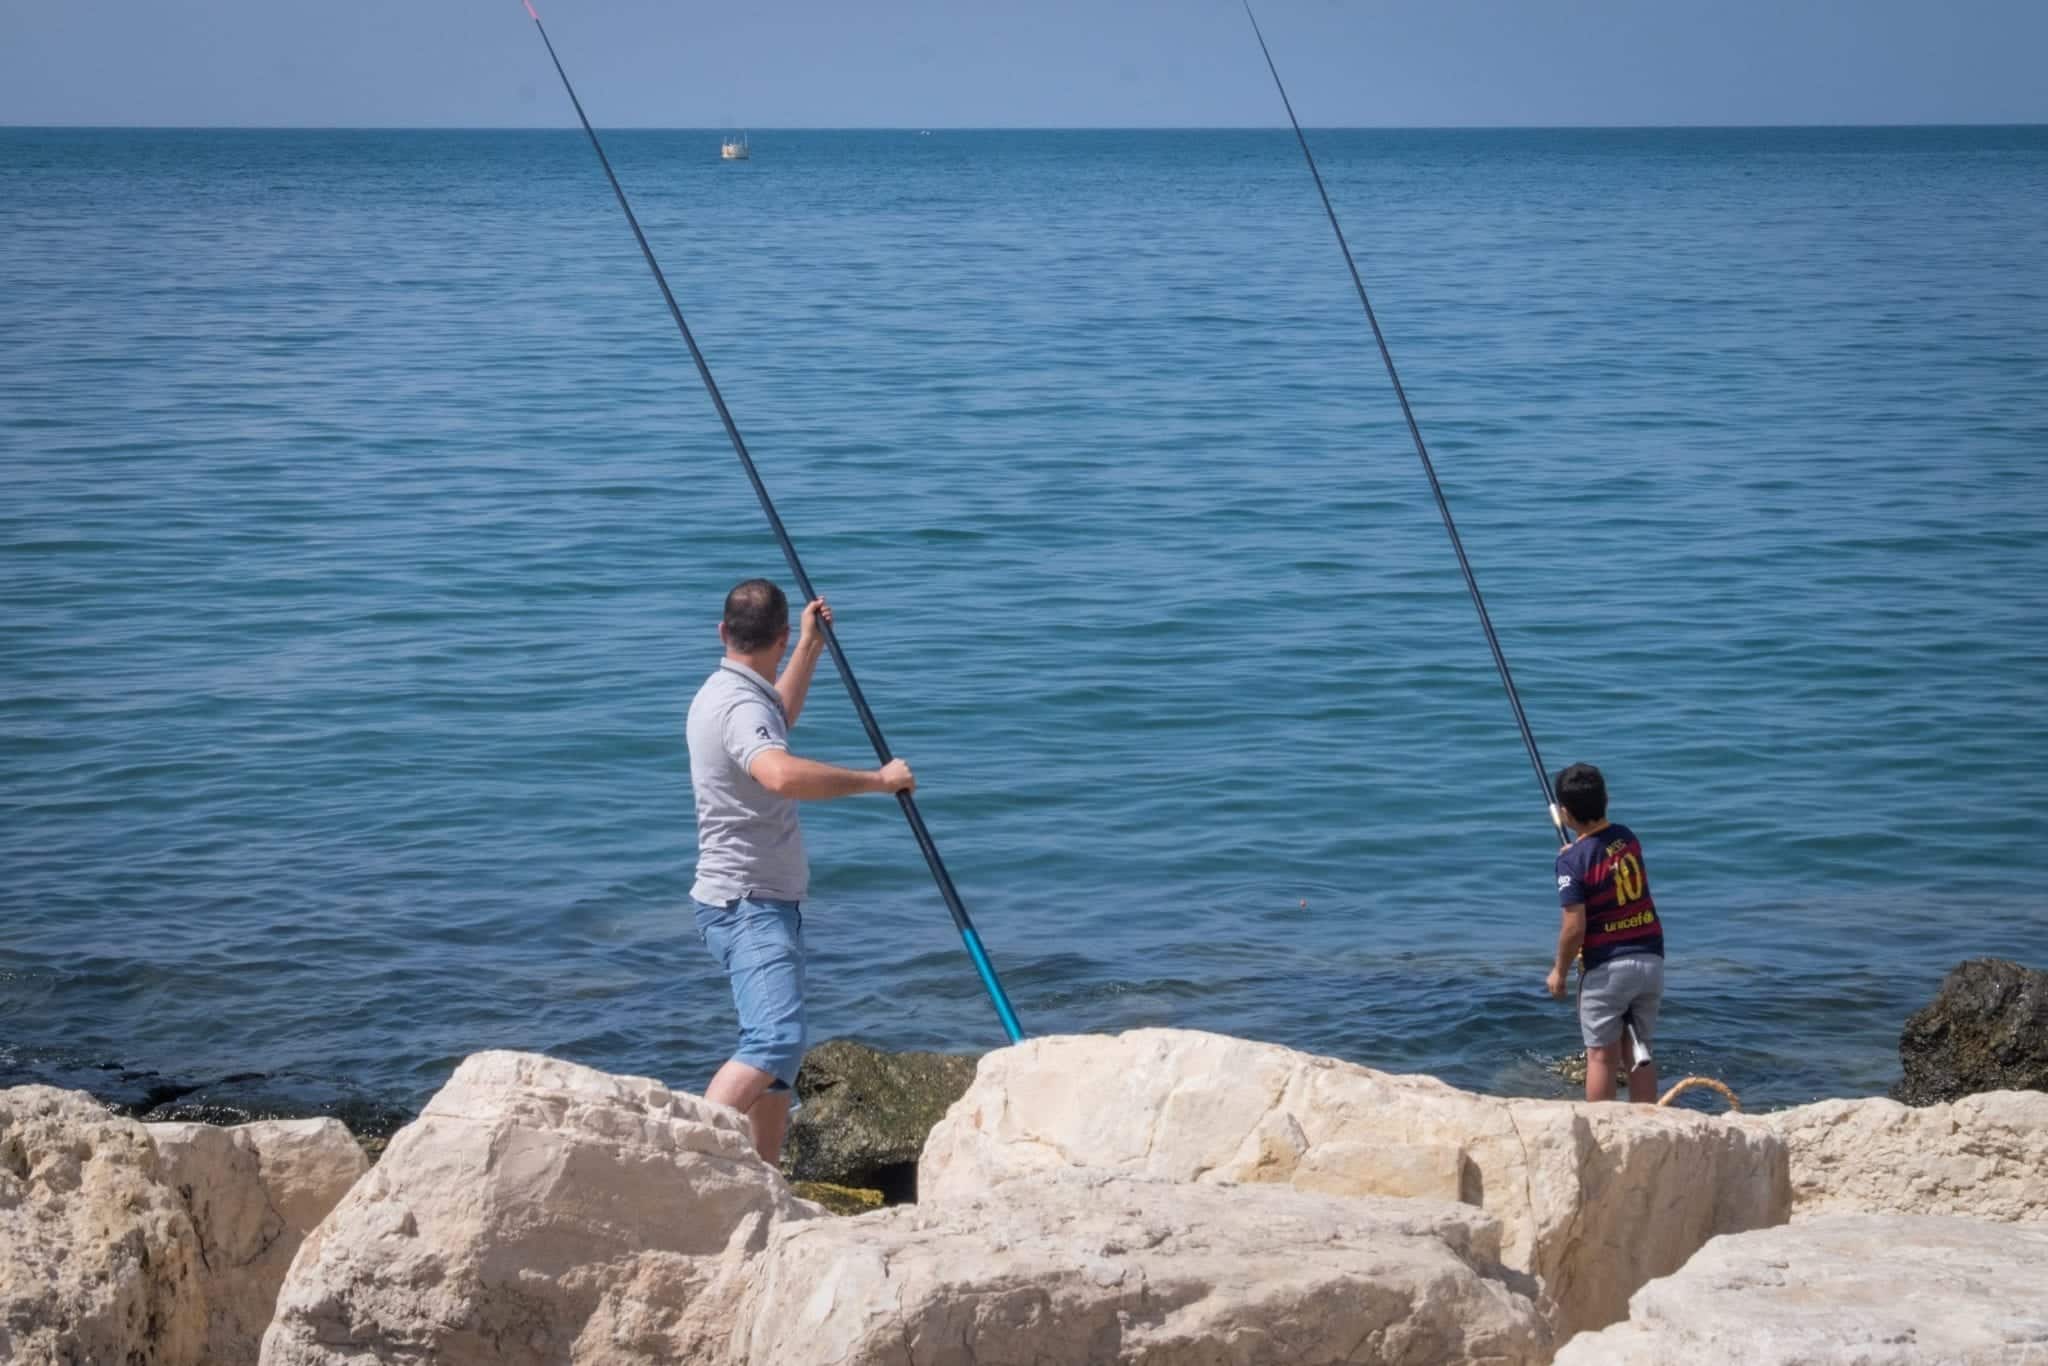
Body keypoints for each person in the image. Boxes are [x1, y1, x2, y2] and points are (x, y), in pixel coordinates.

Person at [686, 578, 915, 1163]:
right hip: (748, 902)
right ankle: (687, 1154)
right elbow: (779, 774)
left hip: (756, 898)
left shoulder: (733, 692)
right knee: (774, 1039)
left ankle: (764, 1180)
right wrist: (876, 781)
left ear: (723, 632)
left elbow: (774, 722)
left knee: (781, 1059)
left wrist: (811, 648)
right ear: (778, 636)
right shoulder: (738, 706)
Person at [1543, 762, 1664, 1103]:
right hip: (1650, 959)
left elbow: (1574, 926)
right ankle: (1647, 1125)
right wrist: (1580, 850)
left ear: (1564, 813)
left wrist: (1559, 971)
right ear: (1606, 799)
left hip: (1607, 969)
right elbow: (1605, 859)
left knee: (1601, 1057)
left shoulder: (1570, 861)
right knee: (1639, 1051)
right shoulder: (1628, 837)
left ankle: (1603, 1131)